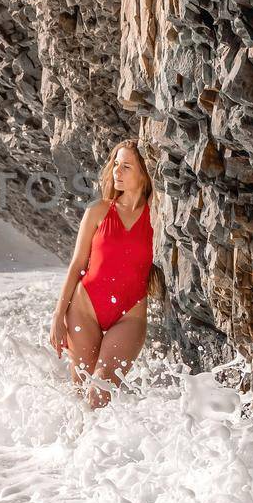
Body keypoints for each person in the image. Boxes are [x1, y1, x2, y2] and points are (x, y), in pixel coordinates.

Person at [48, 140, 161, 408]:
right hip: (84, 308)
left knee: (100, 391)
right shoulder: (99, 210)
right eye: (115, 165)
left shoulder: (157, 216)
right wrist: (58, 316)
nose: (116, 173)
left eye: (126, 167)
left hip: (130, 314)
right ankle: (78, 447)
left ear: (144, 173)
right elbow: (77, 265)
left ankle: (105, 448)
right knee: (82, 394)